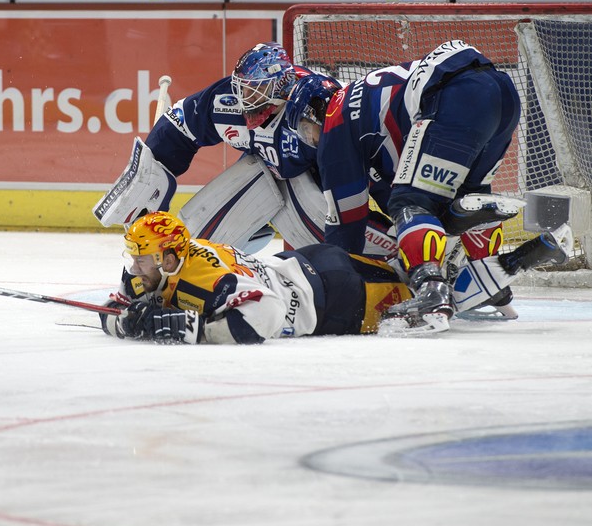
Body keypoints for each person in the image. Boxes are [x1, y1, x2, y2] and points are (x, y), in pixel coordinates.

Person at [285, 39, 522, 329]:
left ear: (314, 111)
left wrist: (336, 274)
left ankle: (431, 290)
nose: (311, 140)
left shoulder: (335, 120)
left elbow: (347, 226)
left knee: (410, 202)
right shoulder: (364, 106)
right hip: (503, 94)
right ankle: (488, 276)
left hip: (457, 96)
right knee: (467, 195)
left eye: (306, 130)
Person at [92, 42, 398, 258]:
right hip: (264, 171)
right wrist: (147, 193)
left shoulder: (315, 108)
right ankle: (174, 270)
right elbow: (179, 129)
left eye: (256, 90)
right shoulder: (227, 100)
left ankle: (398, 253)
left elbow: (364, 166)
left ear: (282, 86)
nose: (245, 99)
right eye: (242, 88)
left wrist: (400, 211)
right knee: (196, 239)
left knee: (326, 236)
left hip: (314, 185)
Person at [100, 212, 568, 344]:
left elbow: (254, 321)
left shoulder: (208, 279)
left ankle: (518, 260)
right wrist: (125, 320)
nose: (133, 266)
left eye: (142, 258)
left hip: (339, 299)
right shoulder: (172, 259)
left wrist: (180, 328)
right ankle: (467, 242)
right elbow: (119, 302)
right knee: (407, 274)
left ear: (168, 257)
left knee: (426, 301)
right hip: (314, 262)